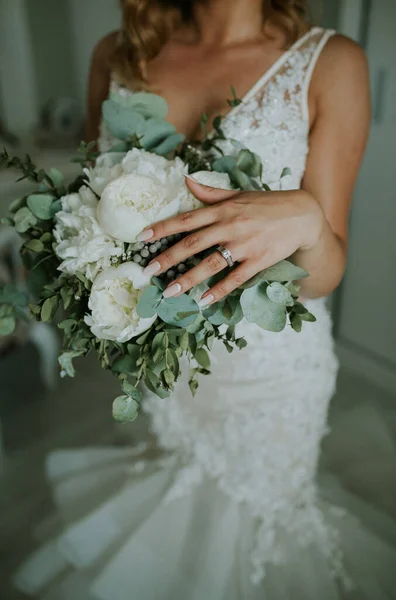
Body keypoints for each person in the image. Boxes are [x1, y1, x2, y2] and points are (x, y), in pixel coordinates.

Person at [15, 1, 396, 599]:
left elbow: (324, 274)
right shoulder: (117, 55)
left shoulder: (331, 64)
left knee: (256, 532)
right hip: (164, 368)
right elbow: (92, 201)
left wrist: (311, 225)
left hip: (270, 369)